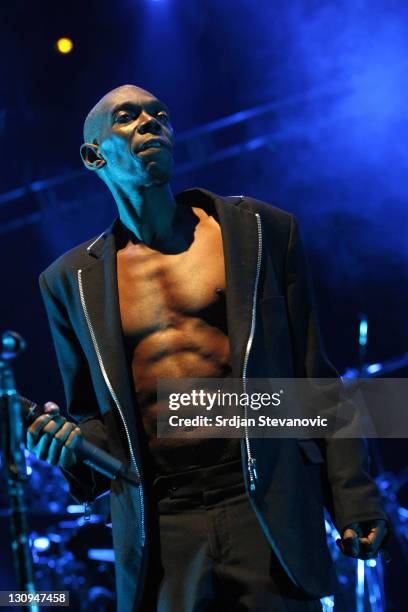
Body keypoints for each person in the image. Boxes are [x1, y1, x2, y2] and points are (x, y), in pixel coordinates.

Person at [27, 85, 389, 612]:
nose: (152, 124)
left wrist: (353, 498)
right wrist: (62, 443)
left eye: (161, 115)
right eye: (128, 118)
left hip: (262, 503)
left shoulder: (260, 232)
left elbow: (314, 379)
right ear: (93, 155)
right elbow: (96, 421)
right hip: (162, 524)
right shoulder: (68, 282)